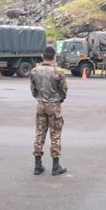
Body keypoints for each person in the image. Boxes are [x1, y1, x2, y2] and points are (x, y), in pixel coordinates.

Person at [30, 46, 68, 176]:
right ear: (54, 57)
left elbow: (33, 90)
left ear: (42, 56)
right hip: (54, 104)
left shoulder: (34, 71)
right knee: (55, 134)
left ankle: (37, 165)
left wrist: (40, 98)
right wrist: (59, 99)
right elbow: (64, 90)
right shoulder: (58, 71)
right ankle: (56, 166)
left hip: (41, 104)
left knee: (40, 133)